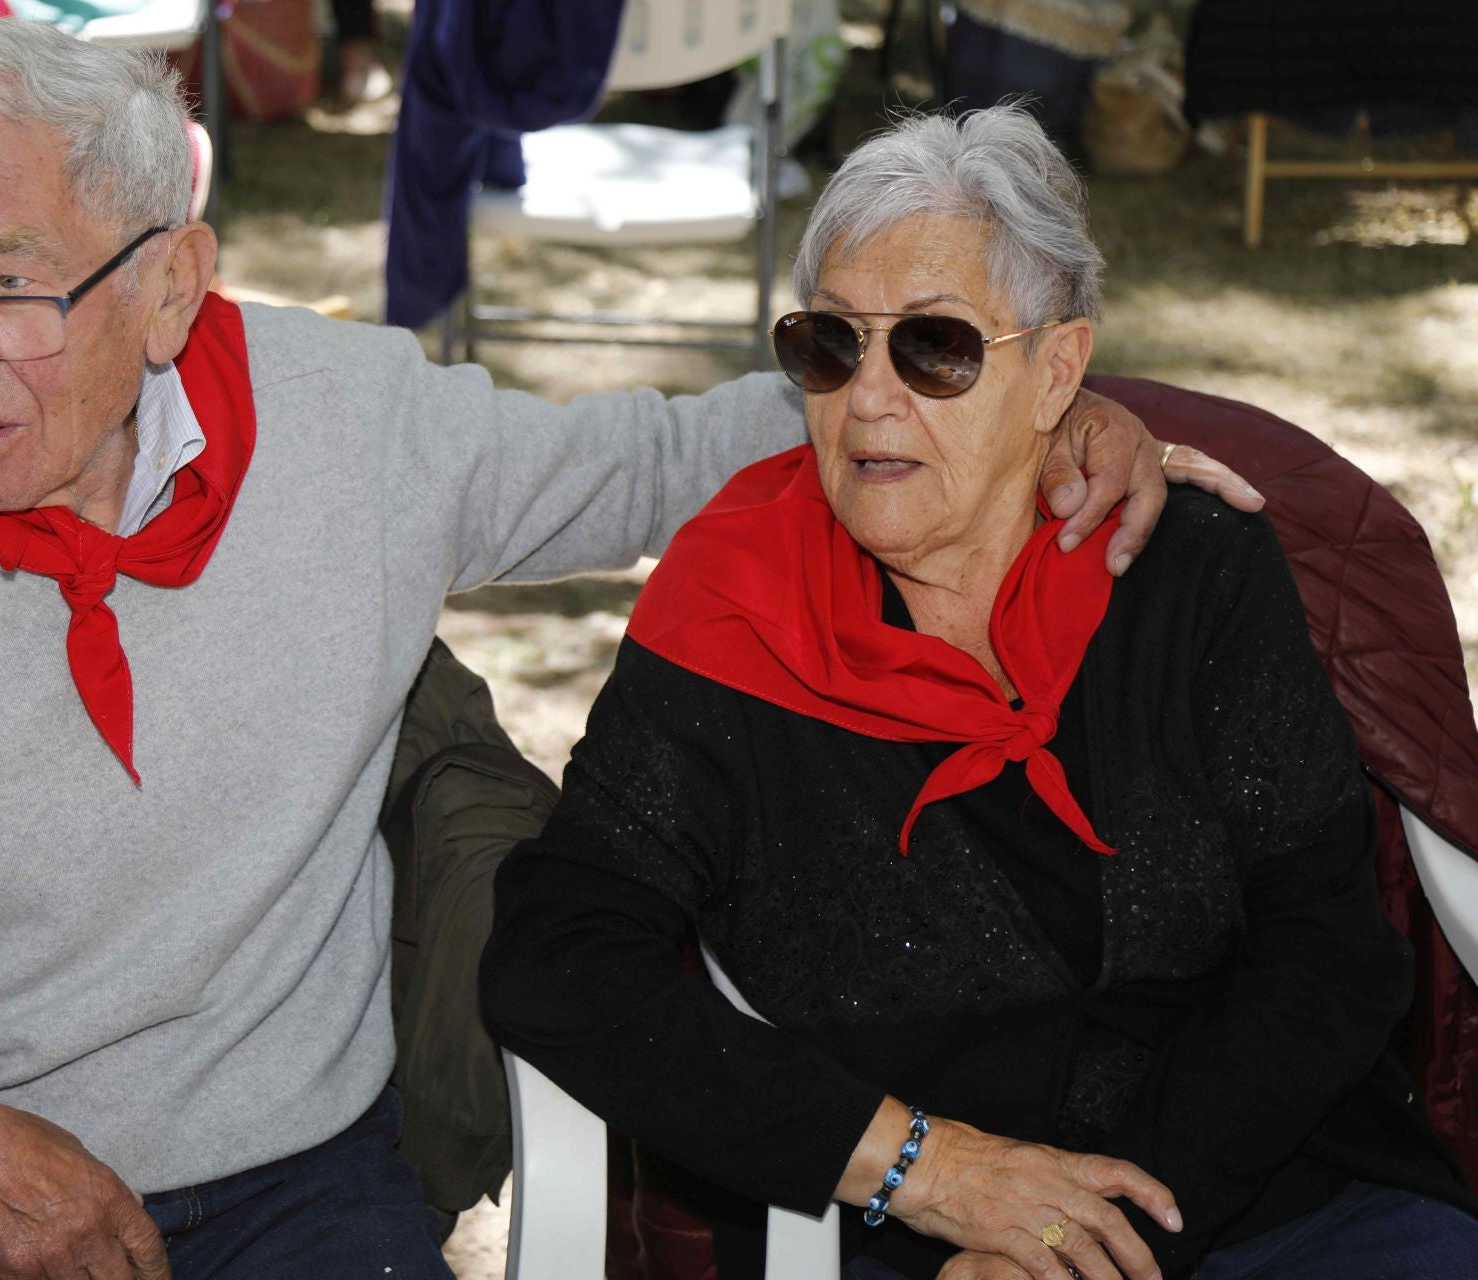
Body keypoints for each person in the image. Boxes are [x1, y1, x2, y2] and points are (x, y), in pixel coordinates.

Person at [0, 22, 1243, 1280]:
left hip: (295, 1185)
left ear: (171, 290)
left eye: (10, 282)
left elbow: (669, 455)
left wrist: (1041, 412)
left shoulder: (352, 432)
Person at [479, 103, 1478, 1280]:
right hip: (915, 1237)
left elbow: (1327, 957)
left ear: (1058, 370)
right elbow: (560, 956)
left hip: (1270, 1196)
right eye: (830, 344)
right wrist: (927, 1168)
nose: (871, 398)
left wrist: (1072, 1244)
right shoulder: (734, 617)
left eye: (936, 347)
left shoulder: (1190, 572)